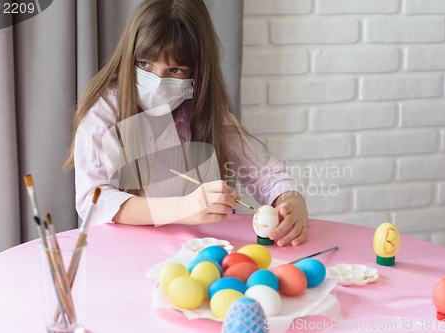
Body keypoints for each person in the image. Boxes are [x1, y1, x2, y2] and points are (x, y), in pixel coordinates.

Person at [63, 0, 308, 247]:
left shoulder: (204, 108)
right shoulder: (104, 108)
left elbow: (265, 173)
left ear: (197, 71)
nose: (157, 82)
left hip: (195, 252)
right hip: (126, 250)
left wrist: (293, 203)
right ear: (130, 56)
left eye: (176, 70)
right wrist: (184, 208)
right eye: (145, 64)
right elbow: (93, 201)